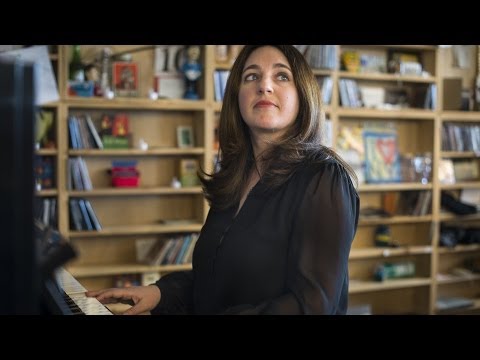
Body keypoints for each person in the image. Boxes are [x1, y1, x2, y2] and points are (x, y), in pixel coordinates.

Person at [86, 45, 359, 315]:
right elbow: (213, 280)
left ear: (304, 95)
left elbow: (311, 305)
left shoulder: (324, 180)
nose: (264, 85)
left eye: (281, 76)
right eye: (251, 76)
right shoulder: (235, 176)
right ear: (236, 97)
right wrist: (159, 293)